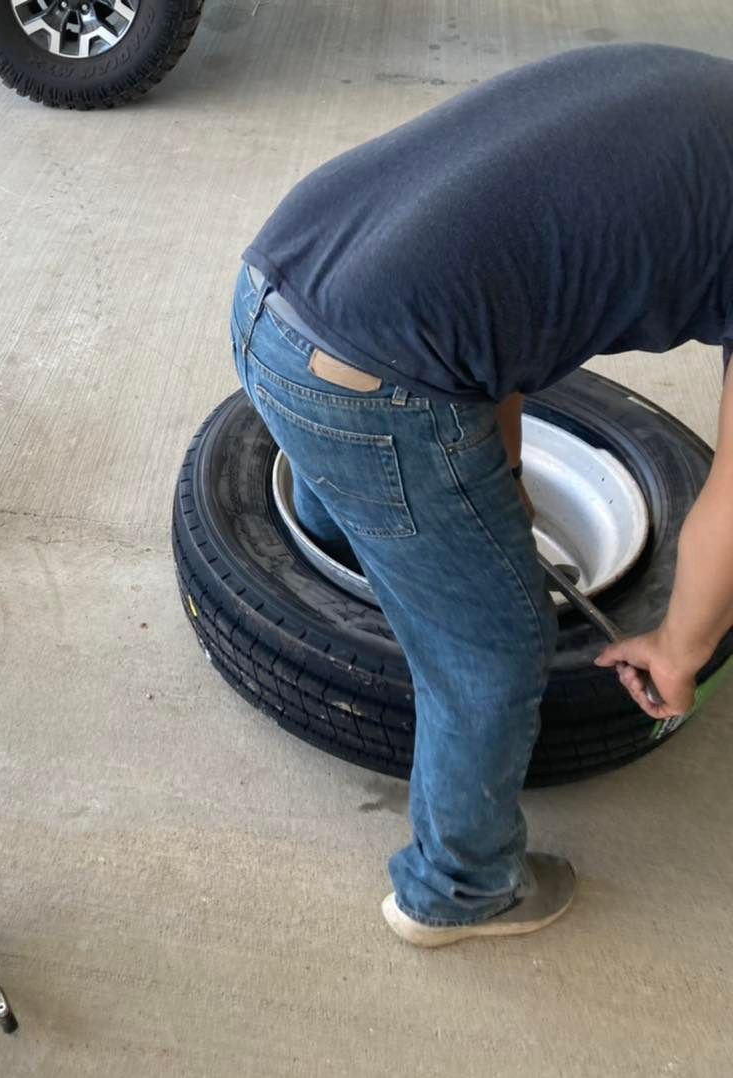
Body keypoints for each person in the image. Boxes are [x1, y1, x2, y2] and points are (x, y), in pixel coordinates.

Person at [231, 43, 733, 946]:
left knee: (384, 450)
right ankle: (459, 891)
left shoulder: (699, 93)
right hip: (370, 382)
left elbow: (503, 267)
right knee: (498, 645)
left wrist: (497, 475)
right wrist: (680, 647)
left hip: (279, 277)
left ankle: (346, 536)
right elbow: (731, 507)